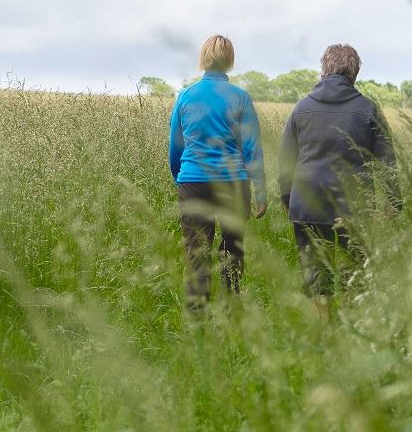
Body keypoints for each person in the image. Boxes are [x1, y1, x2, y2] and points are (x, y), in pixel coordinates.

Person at [278, 44, 398, 303]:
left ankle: (322, 333)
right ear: (354, 73)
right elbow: (387, 160)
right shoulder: (368, 109)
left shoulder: (301, 107)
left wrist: (287, 197)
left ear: (324, 70)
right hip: (354, 206)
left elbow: (287, 158)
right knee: (353, 275)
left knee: (315, 275)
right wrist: (392, 201)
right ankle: (349, 333)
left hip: (307, 203)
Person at [168, 35, 266, 311]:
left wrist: (181, 177)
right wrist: (260, 191)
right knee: (232, 248)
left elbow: (175, 146)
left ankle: (198, 316)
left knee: (197, 252)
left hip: (193, 181)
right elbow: (252, 149)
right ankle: (231, 307)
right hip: (233, 182)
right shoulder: (240, 98)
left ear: (204, 59)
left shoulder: (186, 96)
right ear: (229, 60)